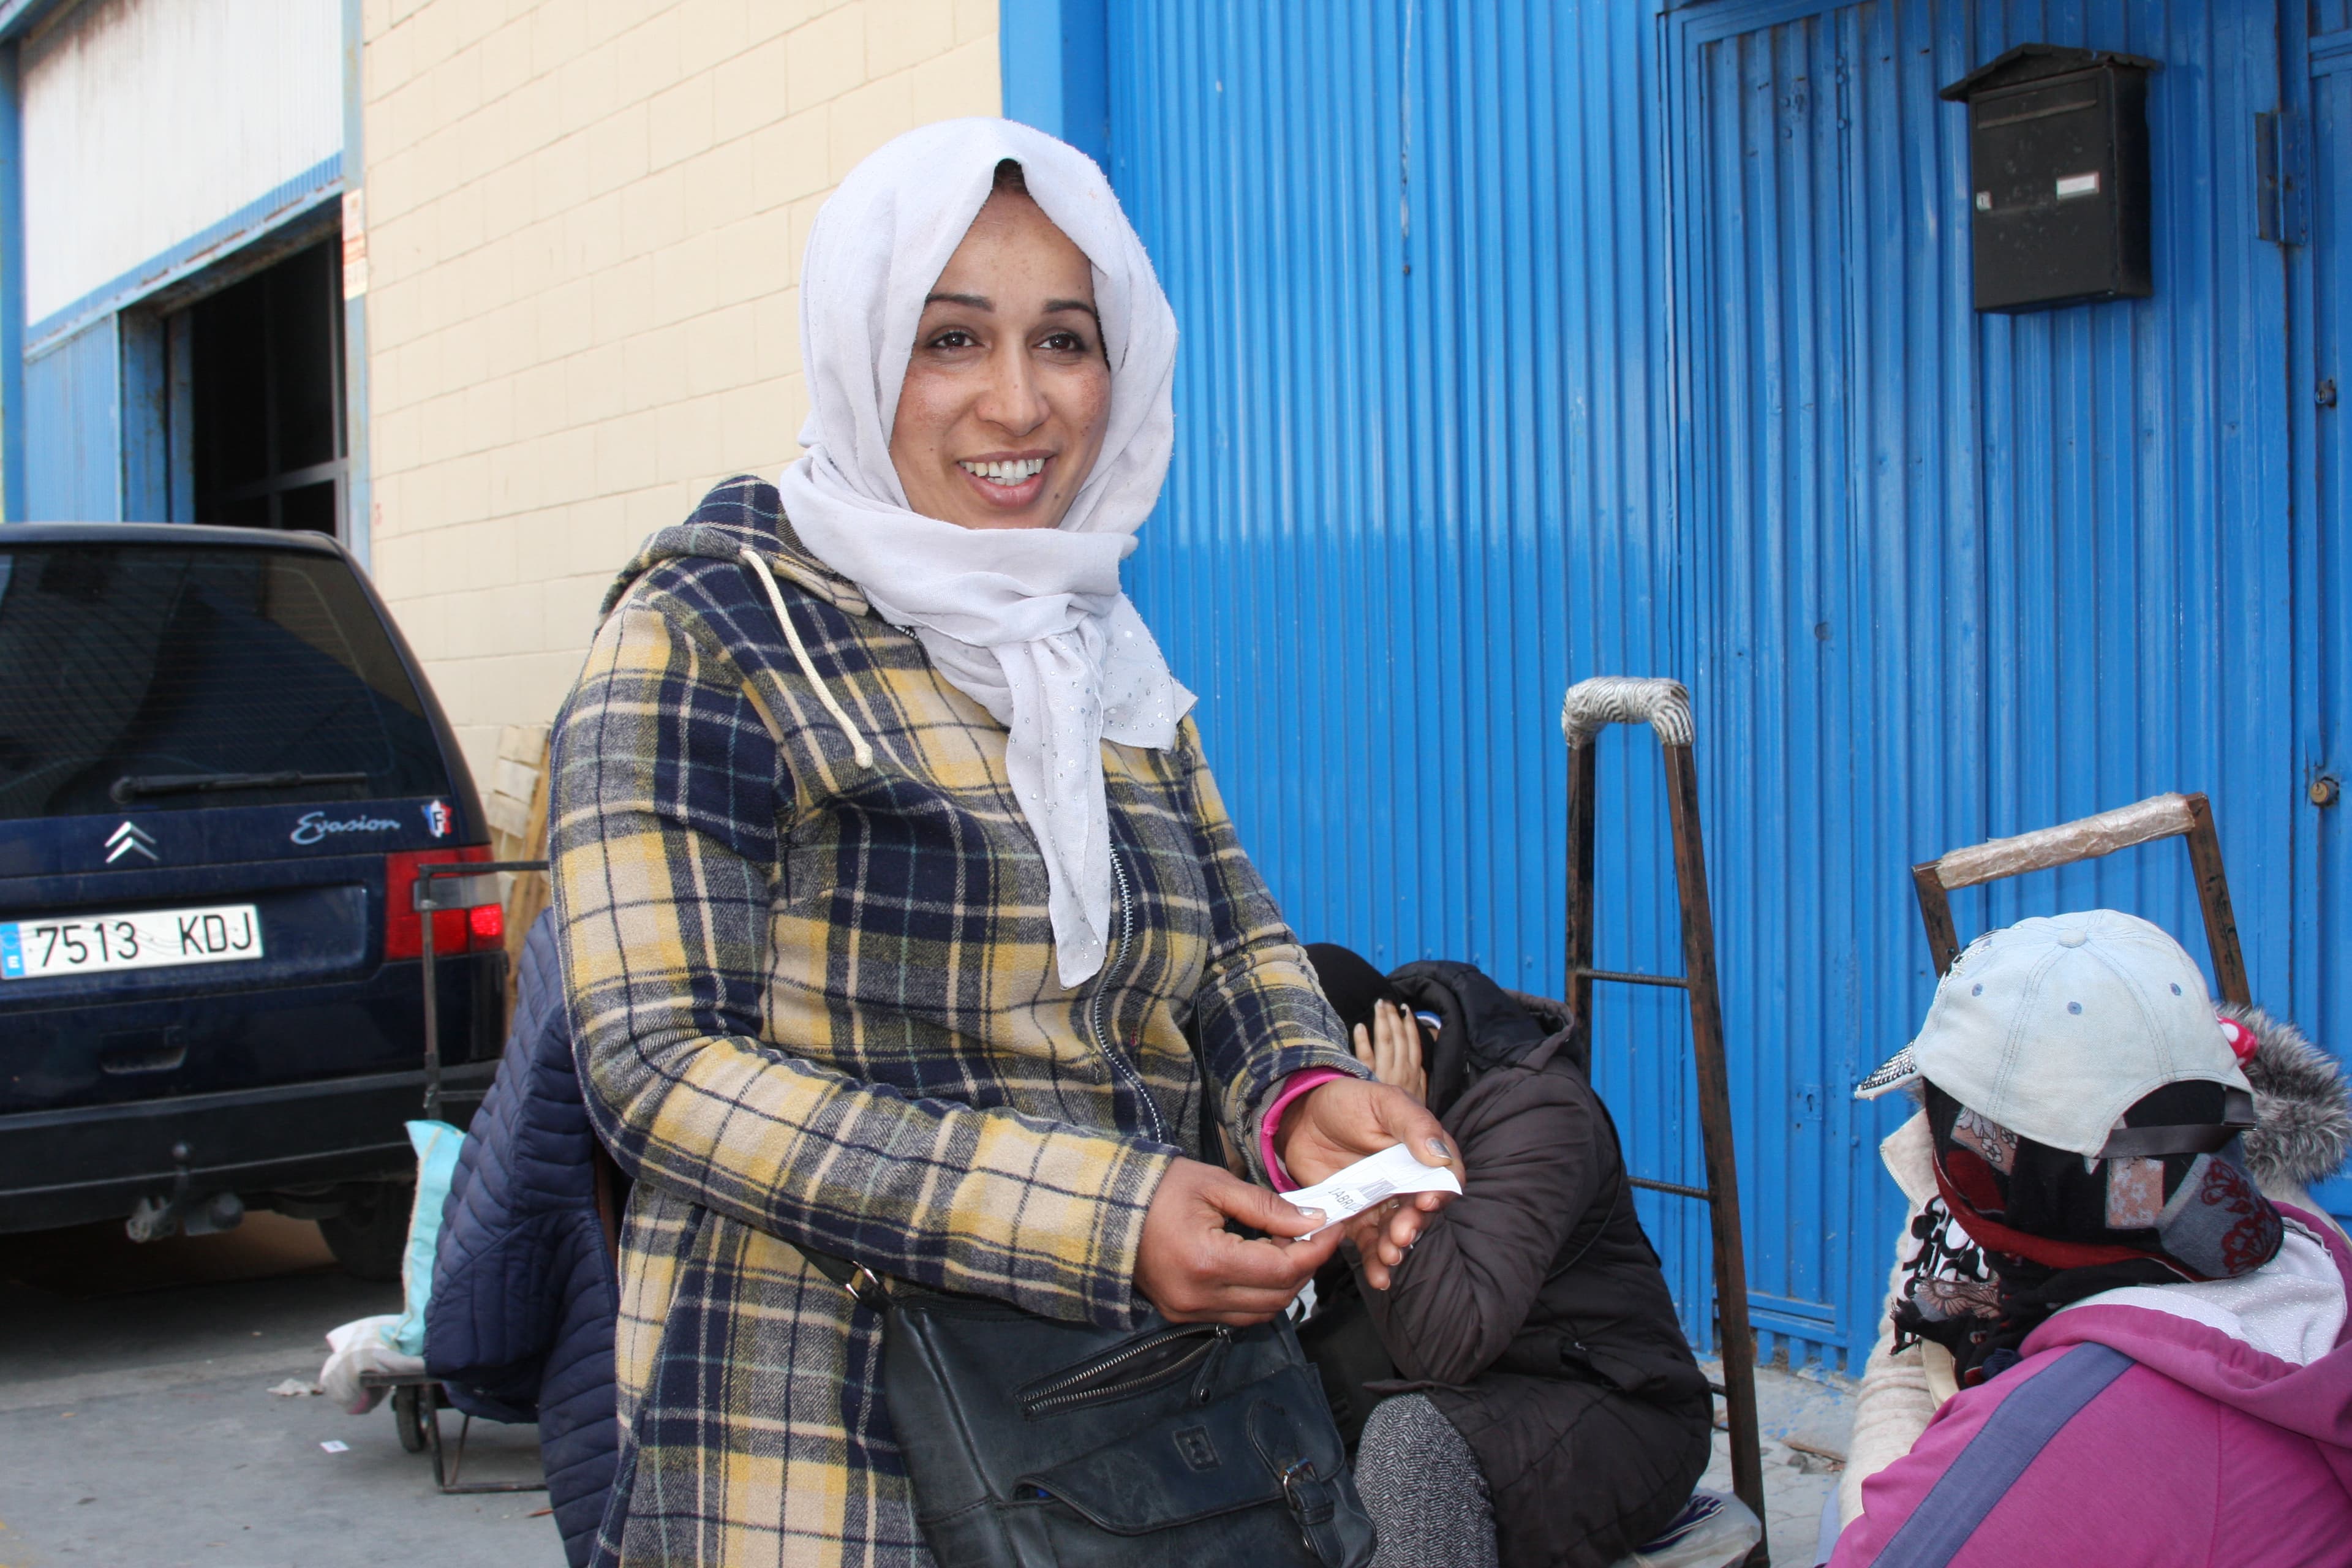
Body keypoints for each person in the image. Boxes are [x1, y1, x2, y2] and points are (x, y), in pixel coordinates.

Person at [547, 119, 1451, 1566]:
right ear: (858, 349)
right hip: (823, 1455)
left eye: (1064, 341)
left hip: (1134, 1437)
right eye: (950, 338)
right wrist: (1096, 1212)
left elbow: (1228, 946)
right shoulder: (710, 637)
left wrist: (1301, 1097)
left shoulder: (1095, 644)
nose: (1018, 404)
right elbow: (658, 1064)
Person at [1829, 910, 2352, 1566]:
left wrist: (1903, 1522)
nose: (1937, 1147)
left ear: (1994, 1156)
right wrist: (1882, 1510)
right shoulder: (2286, 1244)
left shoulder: (2061, 1424)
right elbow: (1902, 1368)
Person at [1299, 945, 1714, 1568]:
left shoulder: (1536, 1108)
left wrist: (1389, 1165)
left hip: (1613, 1409)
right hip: (1453, 1389)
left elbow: (1445, 1344)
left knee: (1412, 1447)